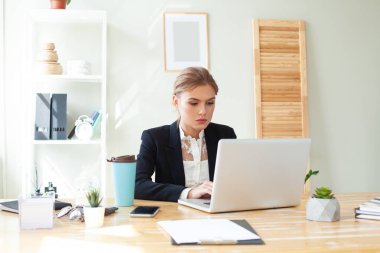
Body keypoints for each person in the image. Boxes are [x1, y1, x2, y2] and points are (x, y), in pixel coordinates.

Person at [135, 67, 236, 202]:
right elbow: (138, 186)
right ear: (176, 102)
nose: (203, 111)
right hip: (174, 216)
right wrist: (188, 193)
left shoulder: (225, 135)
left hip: (216, 215)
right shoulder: (155, 138)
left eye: (210, 103)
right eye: (193, 103)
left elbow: (238, 181)